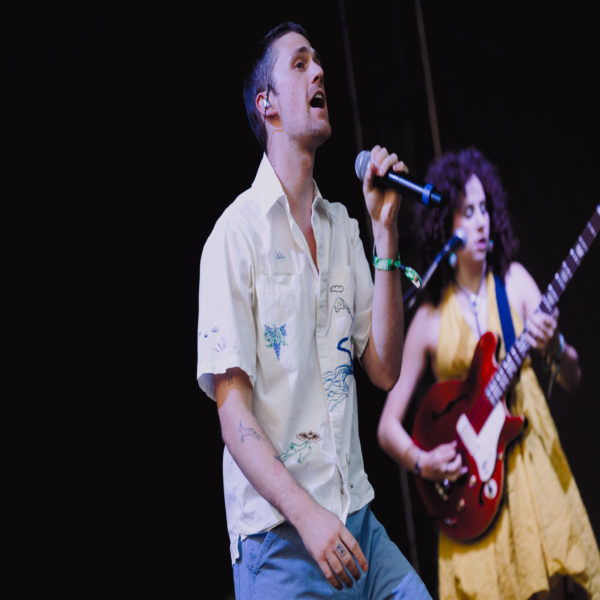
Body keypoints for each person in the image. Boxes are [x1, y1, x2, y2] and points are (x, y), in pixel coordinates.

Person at [196, 21, 432, 599]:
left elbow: (384, 369)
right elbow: (232, 414)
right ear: (268, 105)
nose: (319, 71)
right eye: (300, 64)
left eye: (319, 61)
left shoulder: (343, 228)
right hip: (279, 541)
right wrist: (307, 517)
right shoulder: (235, 236)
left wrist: (384, 232)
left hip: (357, 525)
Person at [377, 147, 600, 599]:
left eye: (484, 209)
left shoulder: (515, 283)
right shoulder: (429, 319)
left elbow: (572, 377)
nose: (481, 222)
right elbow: (386, 427)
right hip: (471, 496)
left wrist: (554, 346)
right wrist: (423, 461)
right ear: (446, 224)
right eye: (467, 212)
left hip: (530, 472)